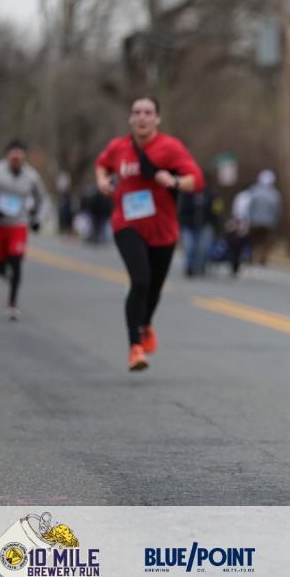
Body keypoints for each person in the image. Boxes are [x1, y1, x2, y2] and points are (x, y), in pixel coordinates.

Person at [95, 96, 204, 371]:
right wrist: (102, 180)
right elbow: (102, 163)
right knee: (140, 281)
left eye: (148, 112)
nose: (142, 117)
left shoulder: (170, 147)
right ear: (130, 117)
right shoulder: (118, 147)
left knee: (154, 287)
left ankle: (145, 324)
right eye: (137, 112)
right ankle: (135, 348)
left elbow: (197, 180)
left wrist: (175, 181)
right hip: (127, 223)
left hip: (162, 229)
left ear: (157, 118)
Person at [0, 139, 49, 320]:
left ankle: (12, 304)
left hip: (18, 224)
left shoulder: (31, 176)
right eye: (13, 154)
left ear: (24, 156)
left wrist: (38, 219)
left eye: (19, 154)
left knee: (16, 260)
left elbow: (44, 199)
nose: (16, 158)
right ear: (7, 155)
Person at [247, 170, 282, 266]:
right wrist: (276, 220)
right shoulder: (274, 194)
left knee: (254, 240)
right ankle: (263, 258)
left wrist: (249, 217)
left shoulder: (254, 191)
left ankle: (252, 256)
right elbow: (277, 209)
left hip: (255, 220)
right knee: (265, 242)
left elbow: (250, 205)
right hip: (269, 222)